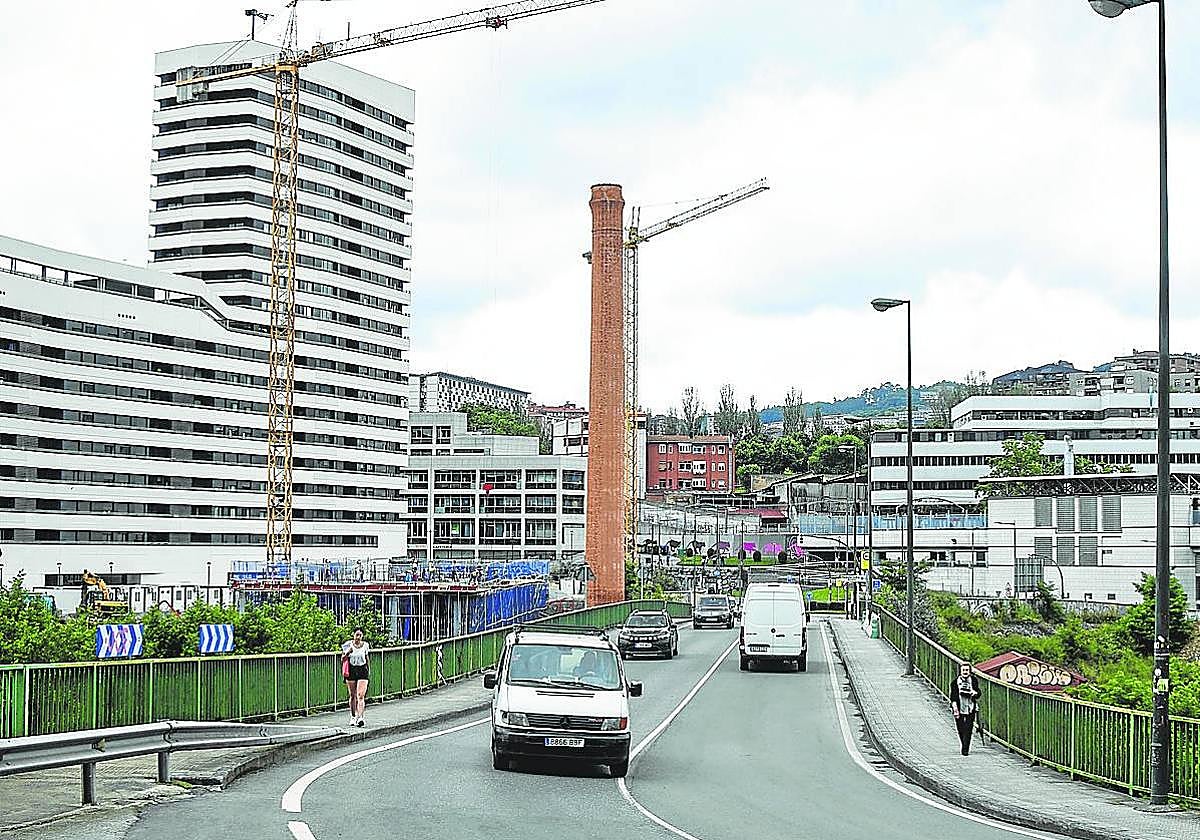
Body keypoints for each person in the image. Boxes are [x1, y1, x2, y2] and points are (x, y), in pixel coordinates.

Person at [949, 662, 981, 756]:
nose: (965, 672)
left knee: (968, 728)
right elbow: (953, 697)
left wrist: (974, 693)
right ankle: (963, 743)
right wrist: (955, 709)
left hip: (970, 707)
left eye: (967, 670)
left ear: (970, 671)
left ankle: (965, 749)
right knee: (960, 728)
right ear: (960, 671)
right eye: (963, 670)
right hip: (959, 707)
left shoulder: (974, 680)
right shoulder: (955, 682)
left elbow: (978, 692)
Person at [342, 627, 370, 728]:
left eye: (360, 635)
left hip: (362, 670)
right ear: (353, 635)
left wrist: (368, 671)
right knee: (352, 695)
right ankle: (353, 716)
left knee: (361, 695)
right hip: (352, 670)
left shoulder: (366, 645)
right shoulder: (348, 644)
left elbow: (367, 658)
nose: (358, 637)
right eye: (356, 635)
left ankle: (360, 717)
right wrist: (348, 652)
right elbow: (343, 659)